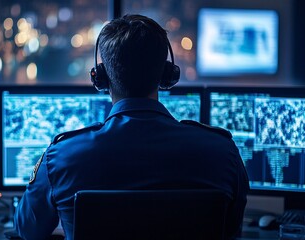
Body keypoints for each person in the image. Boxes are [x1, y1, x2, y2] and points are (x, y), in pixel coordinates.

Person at [14, 14, 249, 240]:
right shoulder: (222, 153)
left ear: (101, 77)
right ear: (167, 74)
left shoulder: (61, 157)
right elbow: (230, 231)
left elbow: (28, 230)